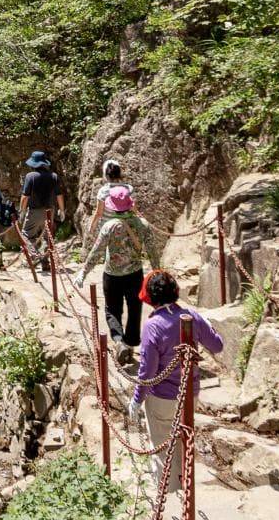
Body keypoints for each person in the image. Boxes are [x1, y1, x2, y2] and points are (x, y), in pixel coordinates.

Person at [129, 271, 223, 495]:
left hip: (161, 398)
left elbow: (147, 371)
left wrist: (136, 400)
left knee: (163, 450)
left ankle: (168, 501)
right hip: (190, 394)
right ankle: (186, 494)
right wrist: (207, 325)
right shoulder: (191, 316)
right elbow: (217, 346)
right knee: (184, 444)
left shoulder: (153, 326)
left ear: (150, 297)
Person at [74, 188, 159, 363]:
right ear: (130, 204)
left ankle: (119, 341)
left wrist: (84, 271)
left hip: (112, 274)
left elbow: (96, 251)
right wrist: (157, 271)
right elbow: (152, 250)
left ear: (112, 208)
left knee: (112, 309)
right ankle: (130, 343)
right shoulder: (142, 224)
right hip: (135, 273)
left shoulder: (109, 226)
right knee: (135, 307)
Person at [19, 151, 65, 273]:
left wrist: (22, 211)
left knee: (26, 235)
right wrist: (61, 210)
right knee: (47, 237)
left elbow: (25, 196)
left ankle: (34, 256)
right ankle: (45, 262)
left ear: (33, 164)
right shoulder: (53, 176)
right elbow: (59, 195)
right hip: (50, 211)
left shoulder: (30, 176)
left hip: (35, 211)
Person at [89, 157, 134, 234]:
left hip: (108, 228)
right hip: (126, 227)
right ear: (119, 174)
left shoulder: (103, 191)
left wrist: (92, 227)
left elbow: (99, 213)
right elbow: (133, 208)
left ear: (106, 175)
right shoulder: (129, 189)